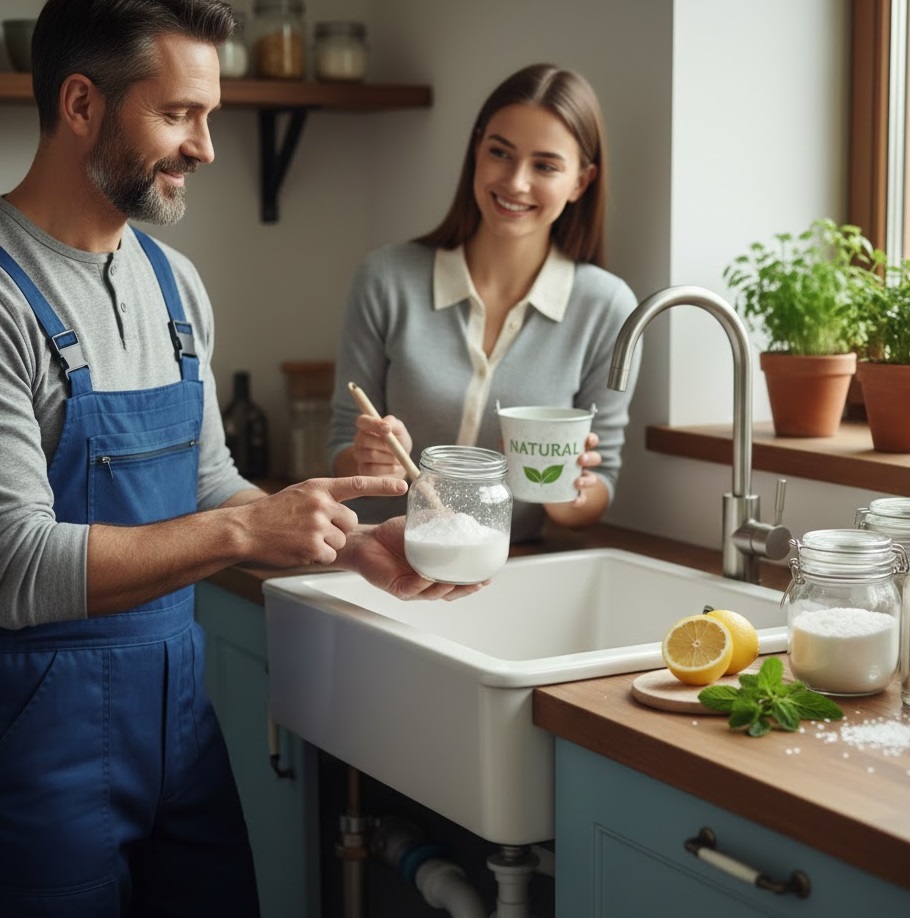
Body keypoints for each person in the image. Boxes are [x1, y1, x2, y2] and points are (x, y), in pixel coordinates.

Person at [0, 2, 482, 915]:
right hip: (36, 745)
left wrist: (347, 545)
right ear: (81, 104)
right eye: (178, 114)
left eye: (211, 115)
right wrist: (246, 530)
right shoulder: (5, 296)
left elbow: (210, 483)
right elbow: (15, 564)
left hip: (180, 730)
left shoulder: (175, 284)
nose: (206, 147)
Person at [329, 63, 641, 543]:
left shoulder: (607, 307)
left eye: (545, 166)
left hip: (507, 563)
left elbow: (602, 484)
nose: (516, 182)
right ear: (477, 149)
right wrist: (369, 458)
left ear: (581, 181)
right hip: (379, 553)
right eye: (500, 153)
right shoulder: (386, 279)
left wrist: (568, 486)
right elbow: (340, 447)